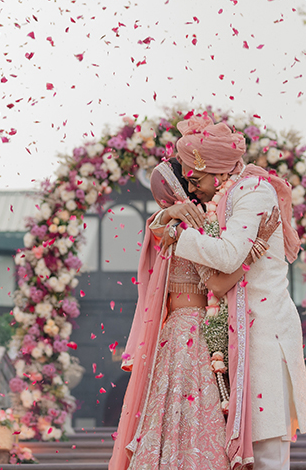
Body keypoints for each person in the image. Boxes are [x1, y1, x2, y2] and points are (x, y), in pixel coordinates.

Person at [162, 115, 306, 470]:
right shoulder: (228, 195)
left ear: (215, 171)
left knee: (266, 456)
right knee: (245, 458)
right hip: (240, 339)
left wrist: (176, 234)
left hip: (263, 336)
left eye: (195, 177)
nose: (190, 185)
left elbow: (230, 256)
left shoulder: (253, 192)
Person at [110, 157, 280, 470]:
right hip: (193, 333)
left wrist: (167, 214)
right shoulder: (194, 224)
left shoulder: (180, 226)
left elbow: (213, 281)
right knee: (196, 422)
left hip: (180, 332)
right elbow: (217, 284)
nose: (192, 188)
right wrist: (257, 246)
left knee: (169, 419)